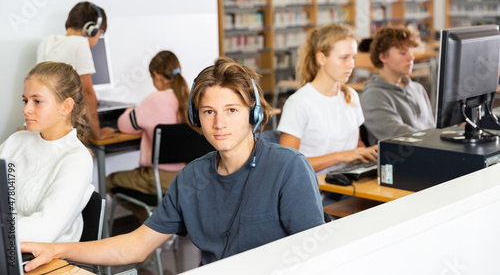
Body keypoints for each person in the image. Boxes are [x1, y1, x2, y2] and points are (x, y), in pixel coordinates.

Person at [21, 57, 325, 271]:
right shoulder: (192, 178)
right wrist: (58, 249)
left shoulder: (288, 168)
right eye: (208, 112)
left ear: (253, 114)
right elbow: (136, 246)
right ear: (196, 119)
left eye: (232, 110)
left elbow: (317, 256)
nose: (219, 123)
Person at [0, 62, 94, 243]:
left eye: (37, 101)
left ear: (66, 107)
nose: (26, 109)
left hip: (43, 261)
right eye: (25, 100)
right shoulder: (17, 140)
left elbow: (43, 231)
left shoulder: (76, 159)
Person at [277, 23, 378, 176]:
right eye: (344, 58)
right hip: (316, 191)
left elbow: (357, 145)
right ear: (321, 58)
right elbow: (287, 165)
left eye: (353, 57)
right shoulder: (299, 103)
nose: (351, 65)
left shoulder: (350, 96)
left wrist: (365, 154)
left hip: (348, 182)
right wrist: (340, 156)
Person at [106, 50, 190, 221]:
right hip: (188, 177)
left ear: (157, 77)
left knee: (109, 181)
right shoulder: (190, 99)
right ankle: (163, 224)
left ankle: (155, 225)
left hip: (158, 179)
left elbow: (124, 124)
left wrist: (131, 110)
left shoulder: (154, 100)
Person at [37, 1, 115, 141]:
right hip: (62, 129)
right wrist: (97, 133)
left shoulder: (47, 41)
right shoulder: (80, 43)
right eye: (99, 34)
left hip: (41, 123)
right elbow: (88, 93)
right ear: (91, 30)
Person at [360, 26, 434, 146]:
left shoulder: (418, 89)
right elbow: (400, 136)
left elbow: (431, 128)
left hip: (429, 151)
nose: (411, 57)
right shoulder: (373, 96)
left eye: (410, 51)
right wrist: (438, 141)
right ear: (383, 57)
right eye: (403, 53)